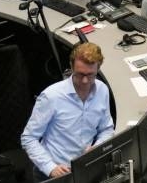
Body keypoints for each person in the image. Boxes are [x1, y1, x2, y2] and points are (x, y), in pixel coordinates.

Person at [21, 41, 115, 179]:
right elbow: (28, 138)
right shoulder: (51, 96)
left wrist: (97, 148)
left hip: (84, 168)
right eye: (80, 74)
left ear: (98, 69)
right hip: (54, 172)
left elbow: (106, 129)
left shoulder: (102, 90)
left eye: (90, 75)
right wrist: (50, 167)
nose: (84, 81)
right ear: (71, 67)